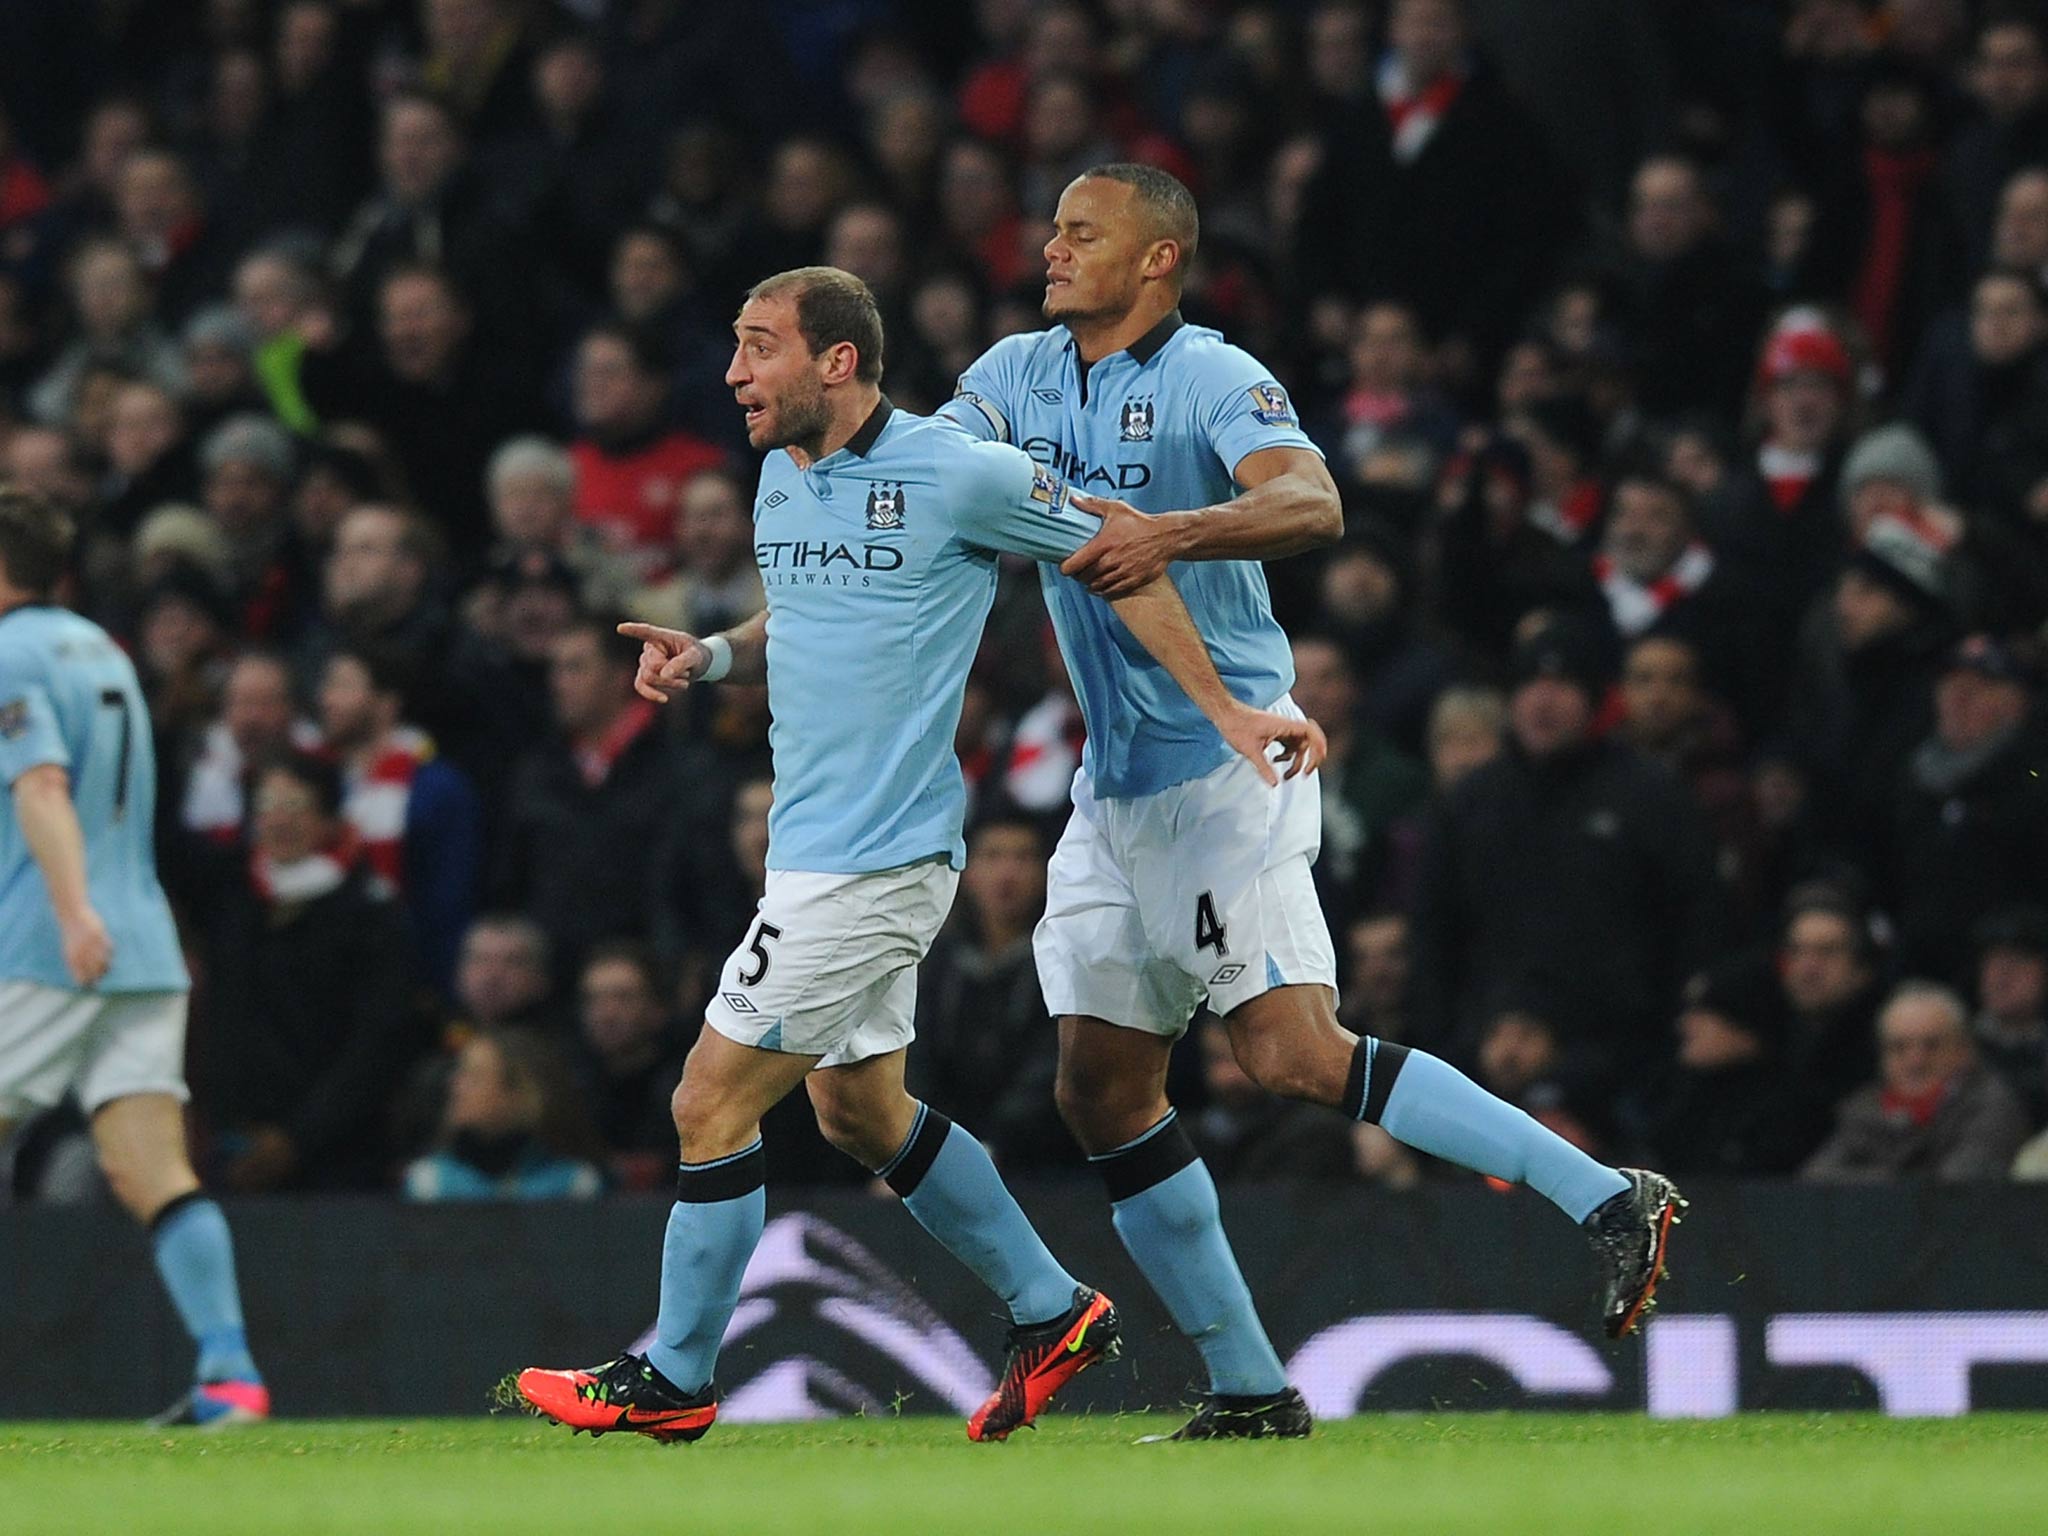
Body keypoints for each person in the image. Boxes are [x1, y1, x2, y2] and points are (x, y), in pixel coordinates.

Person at [509, 266, 1320, 1447]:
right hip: (810, 851)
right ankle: (1051, 1311)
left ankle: (674, 1375)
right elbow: (796, 611)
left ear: (837, 361)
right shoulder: (781, 478)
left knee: (708, 1098)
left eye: (757, 347)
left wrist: (1227, 713)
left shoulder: (958, 473)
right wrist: (715, 658)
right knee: (858, 1110)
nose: (733, 373)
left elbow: (1114, 551)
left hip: (875, 862)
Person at [940, 164, 1684, 1440]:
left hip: (1235, 766)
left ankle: (1606, 1194)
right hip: (1111, 789)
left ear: (1158, 259)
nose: (1049, 248)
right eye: (1050, 228)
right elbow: (934, 468)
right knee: (1099, 1088)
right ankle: (1249, 1389)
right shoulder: (1012, 372)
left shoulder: (1212, 376)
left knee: (1286, 1050)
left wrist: (1166, 533)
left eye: (1081, 231)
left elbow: (1311, 501)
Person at [0, 485, 265, 1425]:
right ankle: (230, 1376)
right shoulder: (98, 648)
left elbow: (40, 787)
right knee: (153, 1171)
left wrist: (71, 912)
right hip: (146, 945)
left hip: (51, 945)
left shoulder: (11, 654)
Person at [1803, 982, 2029, 1182]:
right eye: (1899, 1048)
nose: (1915, 1061)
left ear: (1964, 1051)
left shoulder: (1991, 1106)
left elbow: (1957, 1187)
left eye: (1931, 1046)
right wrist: (1898, 1180)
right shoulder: (1864, 1108)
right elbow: (1817, 1178)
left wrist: (1874, 1180)